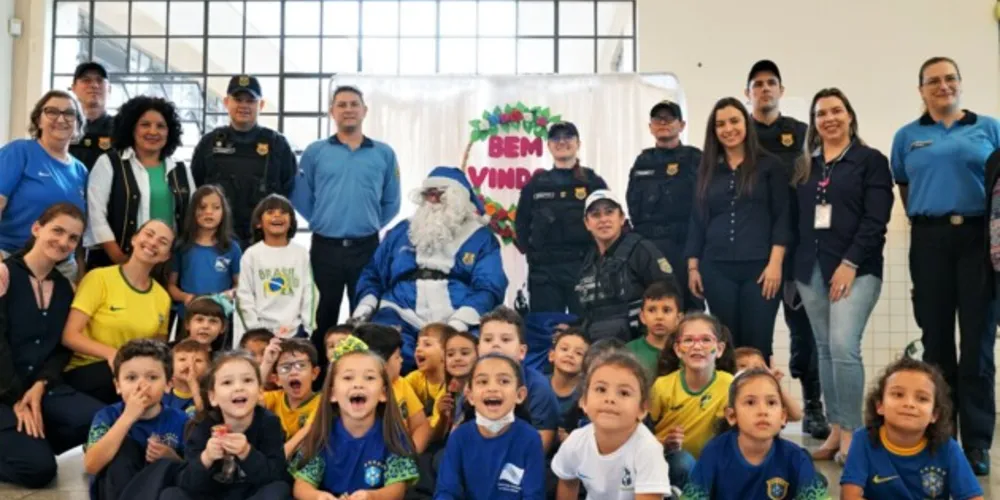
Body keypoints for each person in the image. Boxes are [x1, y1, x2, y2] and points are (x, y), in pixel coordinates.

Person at [892, 56, 1000, 475]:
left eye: (950, 78)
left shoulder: (989, 128)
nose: (943, 86)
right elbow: (905, 187)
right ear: (920, 89)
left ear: (961, 83)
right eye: (933, 80)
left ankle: (976, 445)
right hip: (929, 241)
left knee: (977, 346)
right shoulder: (907, 137)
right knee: (935, 343)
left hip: (978, 241)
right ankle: (941, 436)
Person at [791, 88, 893, 464]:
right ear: (814, 123)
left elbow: (876, 219)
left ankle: (852, 433)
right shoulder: (806, 166)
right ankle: (836, 430)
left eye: (836, 111)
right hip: (810, 268)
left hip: (856, 268)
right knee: (824, 348)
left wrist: (849, 263)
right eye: (821, 114)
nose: (829, 119)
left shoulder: (870, 161)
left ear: (849, 115)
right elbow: (798, 220)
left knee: (843, 344)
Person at [350, 167, 507, 372]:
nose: (431, 200)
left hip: (457, 314)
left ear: (458, 197)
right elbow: (373, 273)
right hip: (400, 311)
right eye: (427, 194)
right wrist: (366, 304)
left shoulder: (480, 237)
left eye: (439, 194)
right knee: (378, 348)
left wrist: (457, 324)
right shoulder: (402, 230)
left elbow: (489, 287)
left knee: (469, 353)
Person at [745, 60, 828, 440]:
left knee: (805, 332)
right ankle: (751, 408)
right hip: (751, 250)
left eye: (771, 83)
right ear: (748, 93)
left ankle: (813, 405)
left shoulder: (801, 133)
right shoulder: (739, 133)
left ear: (781, 90)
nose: (765, 89)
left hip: (797, 251)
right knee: (754, 335)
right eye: (758, 84)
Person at [292, 85, 401, 365]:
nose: (348, 109)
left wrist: (369, 223)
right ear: (332, 112)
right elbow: (301, 196)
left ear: (364, 110)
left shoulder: (383, 153)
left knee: (365, 316)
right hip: (324, 247)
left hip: (366, 248)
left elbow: (392, 201)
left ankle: (364, 372)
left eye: (354, 104)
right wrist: (322, 220)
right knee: (321, 316)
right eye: (341, 105)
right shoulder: (316, 152)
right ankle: (319, 378)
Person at [0, 203, 104, 489]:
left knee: (96, 420)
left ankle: (30, 440)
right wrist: (17, 398)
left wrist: (41, 384)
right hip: (4, 389)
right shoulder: (5, 274)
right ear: (37, 228)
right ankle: (24, 443)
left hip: (38, 387)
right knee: (39, 471)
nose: (63, 242)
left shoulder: (64, 288)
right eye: (57, 230)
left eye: (73, 238)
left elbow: (60, 347)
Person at [685, 97, 790, 367]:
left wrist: (776, 264)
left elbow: (782, 217)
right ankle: (729, 395)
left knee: (757, 345)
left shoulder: (770, 165)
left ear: (746, 124)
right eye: (720, 124)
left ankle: (759, 394)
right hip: (716, 269)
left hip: (761, 270)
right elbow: (698, 219)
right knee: (725, 346)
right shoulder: (707, 169)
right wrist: (693, 267)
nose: (728, 129)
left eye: (734, 121)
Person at [291, 336, 419, 499]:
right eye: (348, 378)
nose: (358, 384)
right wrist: (318, 497)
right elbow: (302, 485)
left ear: (383, 393)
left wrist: (371, 497)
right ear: (332, 394)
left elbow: (397, 489)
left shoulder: (393, 436)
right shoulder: (321, 435)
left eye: (369, 378)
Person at [62, 219, 174, 404]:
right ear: (134, 239)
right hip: (90, 370)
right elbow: (70, 336)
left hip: (132, 376)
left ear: (166, 256)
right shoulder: (99, 278)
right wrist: (113, 354)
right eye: (149, 234)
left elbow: (157, 349)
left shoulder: (162, 297)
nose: (153, 243)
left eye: (162, 242)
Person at [841, 357, 984, 500]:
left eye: (922, 398)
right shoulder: (863, 440)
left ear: (934, 414)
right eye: (898, 394)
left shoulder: (946, 447)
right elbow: (849, 496)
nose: (909, 404)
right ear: (880, 406)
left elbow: (973, 497)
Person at [682, 368, 828, 500]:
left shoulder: (795, 457)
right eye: (751, 403)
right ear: (732, 416)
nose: (763, 411)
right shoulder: (714, 453)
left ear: (783, 416)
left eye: (771, 403)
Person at [163, 351, 292, 500]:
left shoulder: (269, 423)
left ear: (260, 392)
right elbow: (186, 483)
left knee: (279, 488)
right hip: (212, 496)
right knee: (171, 494)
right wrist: (206, 457)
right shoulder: (202, 426)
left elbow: (277, 475)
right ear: (213, 397)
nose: (238, 387)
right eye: (227, 382)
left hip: (252, 495)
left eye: (247, 380)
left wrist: (247, 453)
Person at [85, 96, 195, 270]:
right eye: (145, 124)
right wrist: (122, 260)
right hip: (116, 265)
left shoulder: (181, 170)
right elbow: (96, 216)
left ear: (169, 132)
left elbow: (192, 219)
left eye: (161, 126)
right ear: (131, 128)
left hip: (168, 267)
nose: (153, 131)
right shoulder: (109, 163)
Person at [191, 75, 296, 248]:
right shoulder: (209, 144)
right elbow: (197, 189)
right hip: (218, 239)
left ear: (261, 105)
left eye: (250, 100)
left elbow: (288, 191)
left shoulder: (278, 145)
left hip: (264, 239)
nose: (244, 106)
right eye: (238, 99)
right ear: (226, 102)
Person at [552, 350, 672, 500]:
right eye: (601, 389)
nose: (610, 399)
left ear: (643, 409)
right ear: (584, 401)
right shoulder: (576, 441)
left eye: (624, 393)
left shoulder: (648, 450)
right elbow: (567, 484)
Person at [515, 121, 607, 315]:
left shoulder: (592, 182)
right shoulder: (536, 184)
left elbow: (608, 220)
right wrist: (533, 255)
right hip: (545, 271)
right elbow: (521, 223)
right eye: (556, 138)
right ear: (548, 145)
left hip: (584, 267)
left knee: (587, 325)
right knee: (545, 326)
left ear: (578, 143)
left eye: (568, 137)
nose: (562, 142)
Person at [83, 339, 188, 500]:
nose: (141, 385)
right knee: (123, 448)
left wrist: (172, 458)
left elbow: (193, 474)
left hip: (158, 490)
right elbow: (91, 465)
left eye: (152, 377)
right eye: (131, 378)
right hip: (115, 490)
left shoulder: (182, 420)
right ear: (118, 385)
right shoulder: (107, 416)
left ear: (168, 384)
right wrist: (128, 416)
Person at [0, 90, 88, 279]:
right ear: (38, 120)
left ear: (78, 124)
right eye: (52, 111)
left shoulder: (81, 171)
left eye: (69, 113)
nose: (61, 119)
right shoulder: (20, 152)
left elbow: (79, 229)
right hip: (11, 259)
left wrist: (80, 273)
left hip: (62, 268)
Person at [435, 354, 546, 499]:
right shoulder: (459, 437)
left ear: (520, 395)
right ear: (470, 396)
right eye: (483, 381)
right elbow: (446, 491)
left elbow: (533, 495)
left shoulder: (530, 439)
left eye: (504, 381)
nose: (492, 388)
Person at [627, 100, 703, 312]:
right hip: (651, 247)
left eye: (669, 118)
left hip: (686, 246)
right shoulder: (642, 161)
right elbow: (632, 204)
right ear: (650, 127)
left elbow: (706, 203)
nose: (663, 122)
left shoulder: (695, 158)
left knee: (690, 309)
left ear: (682, 125)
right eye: (657, 119)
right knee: (656, 306)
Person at [576, 189, 673, 342]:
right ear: (587, 224)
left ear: (622, 218)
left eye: (609, 212)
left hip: (638, 342)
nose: (603, 220)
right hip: (597, 344)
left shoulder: (641, 250)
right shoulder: (587, 262)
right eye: (596, 215)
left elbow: (669, 296)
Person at [651, 313, 736, 488]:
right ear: (678, 350)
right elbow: (638, 434)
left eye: (706, 340)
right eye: (688, 340)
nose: (697, 346)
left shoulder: (729, 384)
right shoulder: (662, 386)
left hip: (710, 464)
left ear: (719, 349)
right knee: (683, 462)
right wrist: (663, 443)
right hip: (669, 461)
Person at [478, 306, 562, 454]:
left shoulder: (538, 387)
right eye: (488, 339)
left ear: (522, 352)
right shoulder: (472, 383)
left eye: (505, 339)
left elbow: (540, 445)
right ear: (478, 349)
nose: (495, 344)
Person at [234, 194, 316, 344]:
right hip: (261, 334)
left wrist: (306, 328)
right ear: (258, 223)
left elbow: (309, 292)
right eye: (270, 212)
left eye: (283, 212)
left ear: (291, 222)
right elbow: (244, 296)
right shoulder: (251, 255)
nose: (277, 215)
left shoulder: (301, 253)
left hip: (295, 333)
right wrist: (256, 331)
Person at [168, 185, 240, 329]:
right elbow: (171, 286)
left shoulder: (232, 248)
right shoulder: (181, 247)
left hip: (220, 320)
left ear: (223, 212)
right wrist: (186, 297)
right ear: (193, 211)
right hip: (188, 319)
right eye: (202, 207)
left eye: (216, 207)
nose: (209, 212)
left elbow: (240, 285)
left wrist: (228, 295)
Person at [354, 323, 433, 454]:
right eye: (397, 357)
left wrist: (410, 455)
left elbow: (421, 425)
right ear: (381, 363)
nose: (401, 360)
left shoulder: (400, 383)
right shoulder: (354, 394)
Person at [258, 338, 322, 458]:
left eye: (301, 365)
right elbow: (248, 399)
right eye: (285, 368)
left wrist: (272, 462)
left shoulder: (321, 403)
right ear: (276, 379)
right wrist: (267, 363)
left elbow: (304, 436)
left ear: (314, 373)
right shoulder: (274, 398)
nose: (293, 372)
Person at [625, 281, 683, 377]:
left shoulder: (686, 350)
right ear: (642, 317)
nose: (659, 317)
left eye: (666, 310)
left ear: (678, 318)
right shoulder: (628, 351)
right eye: (651, 310)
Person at [733, 347, 802, 423]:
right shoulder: (728, 391)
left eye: (756, 367)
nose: (750, 370)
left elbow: (796, 415)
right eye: (743, 366)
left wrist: (775, 382)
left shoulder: (766, 394)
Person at [68, 61, 115, 171]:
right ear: (73, 88)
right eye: (86, 80)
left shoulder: (121, 128)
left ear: (109, 89)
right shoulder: (64, 126)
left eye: (99, 80)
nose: (94, 85)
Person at [548, 327, 589, 438]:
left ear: (587, 363)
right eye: (564, 349)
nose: (570, 355)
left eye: (578, 353)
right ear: (551, 355)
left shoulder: (587, 394)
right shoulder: (537, 386)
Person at [162, 339, 209, 415]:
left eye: (198, 360)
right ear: (170, 365)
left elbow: (204, 416)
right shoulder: (163, 394)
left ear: (207, 368)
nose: (189, 364)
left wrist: (194, 387)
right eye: (182, 359)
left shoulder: (210, 395)